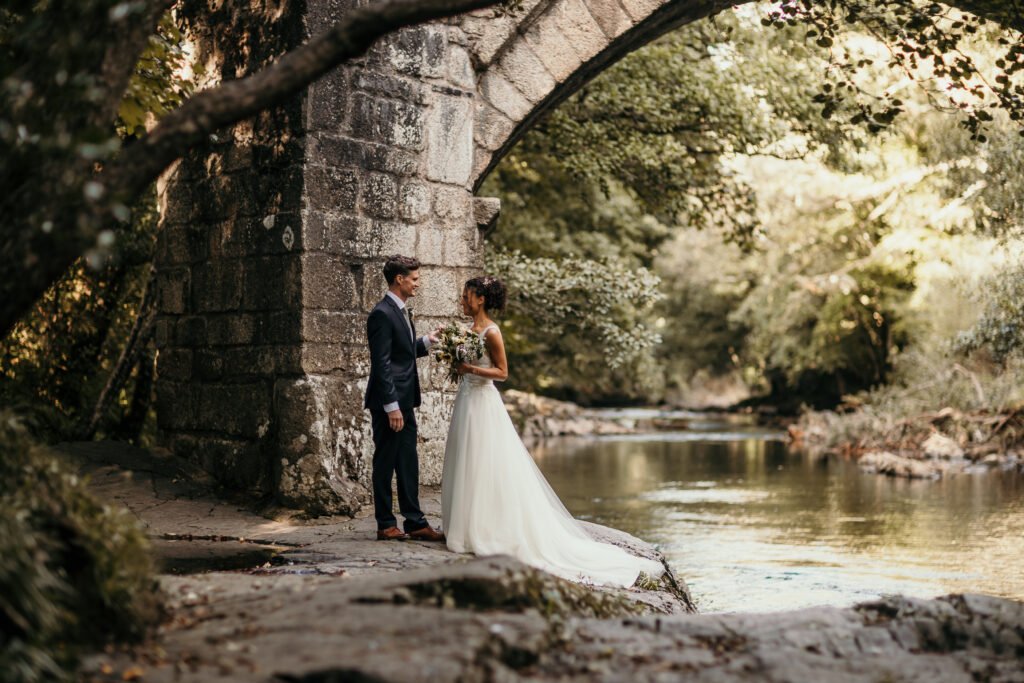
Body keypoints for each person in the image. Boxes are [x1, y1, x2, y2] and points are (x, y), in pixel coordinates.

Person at [440, 276, 664, 586]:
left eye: (466, 296)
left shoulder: (492, 332)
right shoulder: (467, 331)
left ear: (479, 299)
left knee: (485, 460)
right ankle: (462, 527)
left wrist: (469, 369)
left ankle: (485, 529)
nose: (462, 300)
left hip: (483, 400)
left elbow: (502, 373)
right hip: (466, 399)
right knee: (465, 457)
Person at [364, 255, 444, 542]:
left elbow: (401, 353)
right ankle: (386, 524)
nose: (417, 284)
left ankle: (415, 522)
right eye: (414, 279)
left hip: (405, 401)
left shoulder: (400, 311)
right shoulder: (381, 313)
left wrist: (426, 341)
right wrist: (391, 407)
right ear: (399, 279)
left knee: (408, 461)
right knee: (385, 462)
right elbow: (382, 364)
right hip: (390, 404)